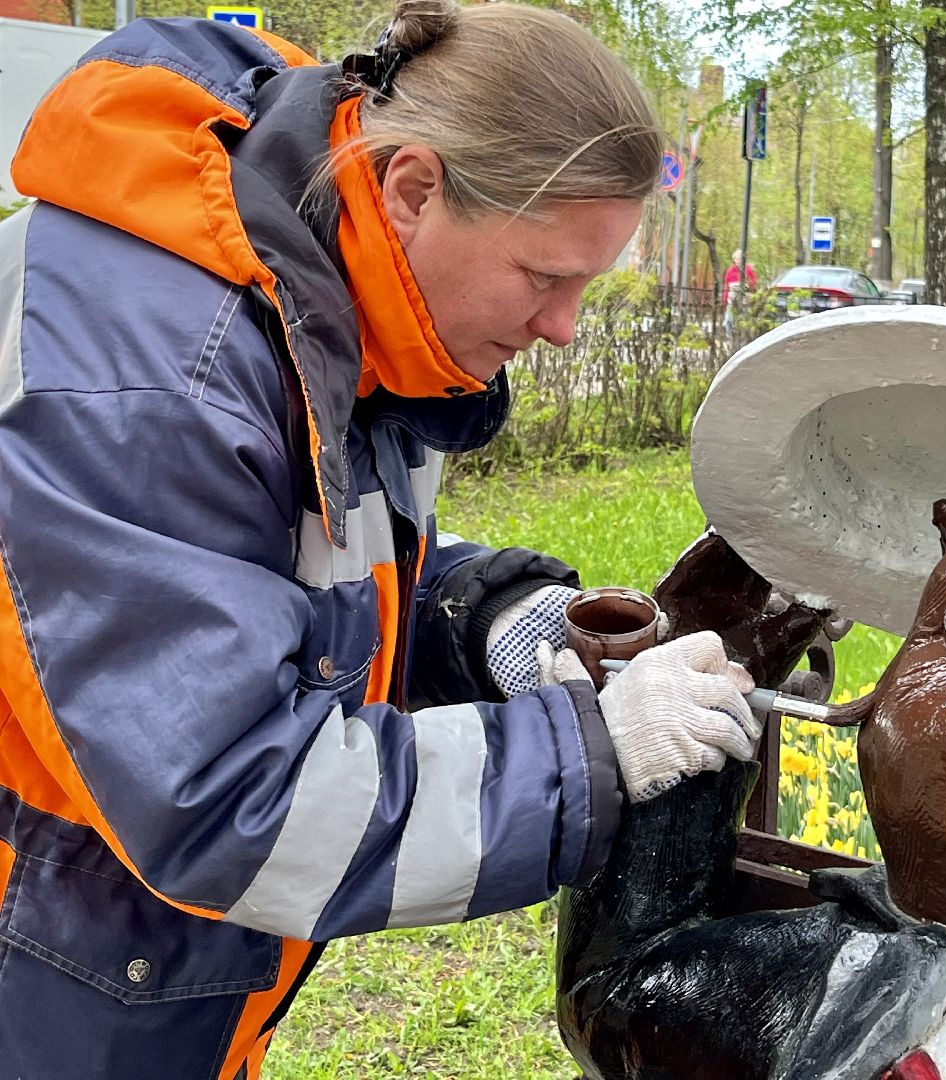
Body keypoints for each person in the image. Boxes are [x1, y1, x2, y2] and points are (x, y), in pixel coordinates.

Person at [0, 4, 757, 1077]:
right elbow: (225, 802)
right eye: (545, 277)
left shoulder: (319, 290)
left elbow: (285, 575)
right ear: (411, 188)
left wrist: (478, 616)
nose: (564, 328)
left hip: (113, 955)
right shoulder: (157, 376)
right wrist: (591, 753)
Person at [721, 247, 758, 339]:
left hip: (744, 300)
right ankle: (729, 338)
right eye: (737, 259)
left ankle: (743, 339)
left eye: (740, 259)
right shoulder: (730, 271)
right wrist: (724, 299)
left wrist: (747, 286)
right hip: (732, 300)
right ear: (734, 260)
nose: (738, 261)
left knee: (743, 321)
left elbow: (754, 283)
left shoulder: (748, 269)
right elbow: (726, 286)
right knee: (728, 321)